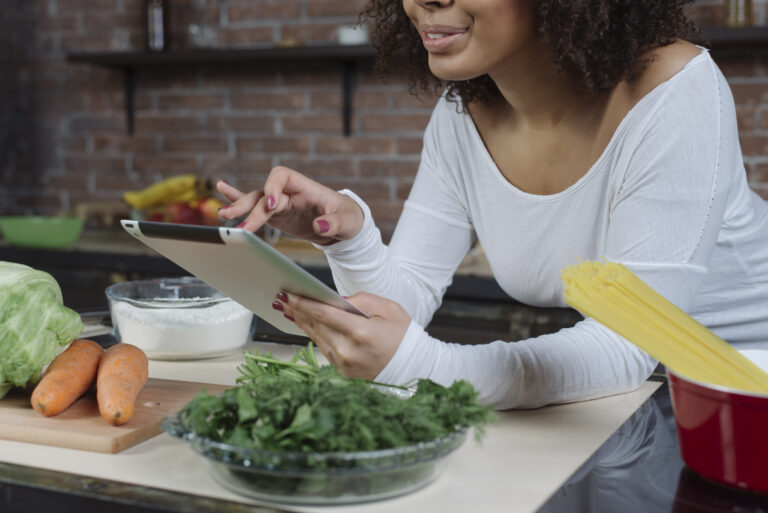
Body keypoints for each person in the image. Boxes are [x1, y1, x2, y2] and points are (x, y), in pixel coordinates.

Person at [217, 0, 768, 409]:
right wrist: (347, 233)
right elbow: (405, 297)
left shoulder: (673, 90)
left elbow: (627, 346)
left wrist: (427, 368)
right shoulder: (464, 118)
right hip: (636, 403)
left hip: (747, 392)